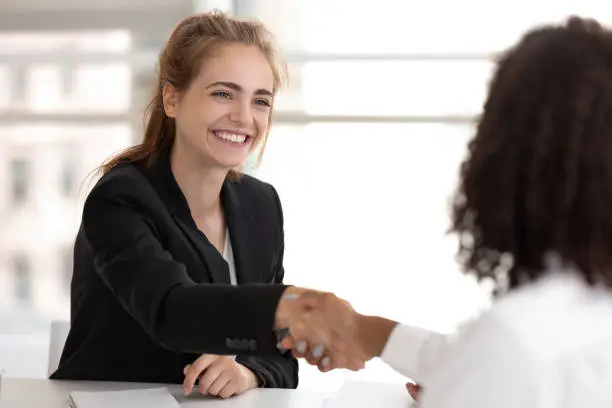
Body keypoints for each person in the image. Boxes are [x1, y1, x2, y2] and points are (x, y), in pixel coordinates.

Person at [281, 16, 612, 408]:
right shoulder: (578, 311)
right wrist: (364, 330)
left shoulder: (514, 342)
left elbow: (496, 357)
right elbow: (472, 358)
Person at [49, 11, 364, 398]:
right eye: (223, 93)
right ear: (172, 99)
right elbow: (171, 309)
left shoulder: (260, 204)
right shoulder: (119, 200)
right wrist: (290, 307)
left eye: (261, 100)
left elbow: (280, 358)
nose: (245, 117)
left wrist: (248, 373)